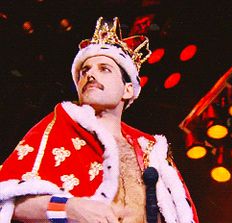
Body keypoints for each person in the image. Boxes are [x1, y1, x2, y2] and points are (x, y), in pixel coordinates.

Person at [0, 17, 199, 223]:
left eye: (104, 68)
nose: (91, 75)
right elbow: (7, 199)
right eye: (85, 71)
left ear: (128, 89)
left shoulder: (152, 150)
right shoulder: (59, 126)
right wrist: (69, 209)